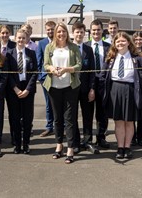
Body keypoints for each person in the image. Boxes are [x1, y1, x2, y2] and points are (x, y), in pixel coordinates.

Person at [100, 31, 142, 159]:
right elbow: (102, 76)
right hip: (115, 91)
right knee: (119, 122)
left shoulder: (137, 59)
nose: (120, 43)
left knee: (129, 121)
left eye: (123, 41)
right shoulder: (110, 59)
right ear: (114, 44)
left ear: (128, 42)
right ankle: (120, 147)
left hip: (130, 91)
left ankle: (127, 147)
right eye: (117, 41)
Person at [44, 22, 81, 164]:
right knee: (57, 118)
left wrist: (66, 69)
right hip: (54, 87)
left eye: (63, 32)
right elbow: (45, 64)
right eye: (59, 32)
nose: (61, 34)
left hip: (70, 87)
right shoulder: (49, 47)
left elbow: (79, 65)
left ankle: (70, 148)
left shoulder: (73, 47)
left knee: (70, 119)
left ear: (67, 33)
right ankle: (59, 145)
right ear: (55, 33)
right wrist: (52, 69)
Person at [7, 29, 37, 154]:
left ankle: (26, 144)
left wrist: (28, 89)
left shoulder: (31, 53)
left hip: (27, 89)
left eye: (23, 38)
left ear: (26, 40)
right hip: (14, 89)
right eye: (19, 38)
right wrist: (15, 88)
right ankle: (17, 144)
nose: (21, 40)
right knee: (15, 118)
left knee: (27, 119)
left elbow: (35, 72)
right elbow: (7, 74)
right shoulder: (9, 54)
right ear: (15, 39)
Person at [71, 22, 98, 154]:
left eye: (82, 32)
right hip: (71, 89)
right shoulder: (68, 48)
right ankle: (75, 142)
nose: (79, 34)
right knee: (73, 116)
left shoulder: (89, 49)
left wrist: (92, 89)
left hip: (86, 89)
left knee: (88, 116)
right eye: (77, 32)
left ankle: (87, 141)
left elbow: (92, 71)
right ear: (73, 33)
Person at [85, 19, 111, 149]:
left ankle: (101, 137)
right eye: (94, 30)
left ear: (102, 31)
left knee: (102, 113)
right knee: (88, 113)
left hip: (103, 83)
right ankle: (88, 139)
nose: (96, 32)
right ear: (90, 32)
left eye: (98, 30)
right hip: (88, 83)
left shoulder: (109, 47)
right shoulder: (85, 46)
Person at [37, 21, 56, 137]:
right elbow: (39, 62)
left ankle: (61, 127)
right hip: (46, 79)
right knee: (49, 104)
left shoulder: (60, 41)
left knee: (60, 104)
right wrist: (41, 77)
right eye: (48, 29)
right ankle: (49, 127)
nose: (50, 31)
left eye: (52, 29)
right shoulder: (41, 43)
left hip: (60, 79)